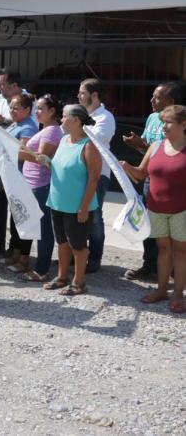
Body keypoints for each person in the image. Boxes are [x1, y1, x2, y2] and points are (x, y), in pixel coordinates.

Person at [121, 105, 186, 314]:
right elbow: (141, 174)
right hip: (156, 208)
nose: (163, 126)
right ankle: (161, 290)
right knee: (163, 250)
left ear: (183, 125)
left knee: (181, 252)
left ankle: (177, 294)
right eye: (163, 121)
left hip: (182, 210)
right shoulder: (156, 145)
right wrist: (126, 167)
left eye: (168, 122)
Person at [43, 105, 102, 296]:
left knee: (78, 245)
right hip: (57, 202)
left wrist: (84, 207)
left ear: (76, 120)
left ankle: (79, 281)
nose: (61, 120)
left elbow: (94, 178)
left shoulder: (89, 146)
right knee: (61, 241)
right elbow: (60, 167)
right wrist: (45, 160)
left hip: (77, 206)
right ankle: (62, 277)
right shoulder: (63, 140)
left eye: (64, 116)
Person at [17, 94, 64, 281]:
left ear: (52, 111)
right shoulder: (44, 130)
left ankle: (42, 269)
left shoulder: (52, 131)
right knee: (38, 228)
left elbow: (41, 158)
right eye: (36, 108)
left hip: (41, 185)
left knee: (44, 230)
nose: (36, 112)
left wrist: (15, 151)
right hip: (33, 184)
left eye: (40, 109)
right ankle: (36, 264)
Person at [0, 68, 29, 256]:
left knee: (15, 205)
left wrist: (4, 122)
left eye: (3, 84)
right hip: (0, 158)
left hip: (17, 163)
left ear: (15, 86)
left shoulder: (27, 101)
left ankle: (15, 247)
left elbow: (25, 127)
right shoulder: (0, 98)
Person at [78, 78, 116, 273]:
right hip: (77, 174)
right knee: (76, 214)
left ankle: (94, 258)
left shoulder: (105, 117)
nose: (79, 96)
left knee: (94, 216)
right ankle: (78, 255)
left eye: (82, 93)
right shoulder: (80, 115)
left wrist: (78, 128)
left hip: (98, 174)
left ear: (94, 95)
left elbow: (94, 139)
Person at [3, 93, 40, 271]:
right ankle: (15, 252)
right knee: (15, 217)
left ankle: (23, 258)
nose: (12, 110)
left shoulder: (28, 127)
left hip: (22, 178)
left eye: (16, 108)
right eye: (10, 107)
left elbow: (24, 152)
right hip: (11, 177)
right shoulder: (15, 124)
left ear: (27, 110)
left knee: (23, 218)